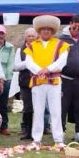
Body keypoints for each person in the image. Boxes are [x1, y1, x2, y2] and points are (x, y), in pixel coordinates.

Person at [23, 15, 68, 145]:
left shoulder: (61, 44)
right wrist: (40, 71)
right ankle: (36, 139)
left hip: (54, 81)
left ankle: (58, 139)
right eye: (43, 29)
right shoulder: (31, 46)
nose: (46, 31)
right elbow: (28, 62)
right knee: (38, 110)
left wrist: (48, 69)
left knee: (56, 110)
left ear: (53, 31)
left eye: (49, 29)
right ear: (39, 31)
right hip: (38, 81)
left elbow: (62, 61)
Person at [59, 15, 79, 144]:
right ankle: (60, 132)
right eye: (75, 26)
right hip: (65, 79)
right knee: (62, 107)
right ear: (70, 24)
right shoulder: (61, 39)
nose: (77, 29)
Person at [0, 25, 15, 135]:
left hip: (5, 78)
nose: (0, 36)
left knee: (3, 103)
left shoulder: (10, 47)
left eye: (2, 33)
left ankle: (3, 126)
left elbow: (10, 64)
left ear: (5, 34)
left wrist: (6, 79)